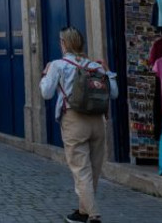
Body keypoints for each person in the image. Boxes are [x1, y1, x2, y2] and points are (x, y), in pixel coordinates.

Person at [39, 26, 119, 223]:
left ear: (64, 44)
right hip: (97, 121)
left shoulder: (58, 65)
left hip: (74, 121)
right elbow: (114, 93)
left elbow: (46, 93)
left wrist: (45, 75)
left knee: (80, 169)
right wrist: (108, 72)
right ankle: (83, 211)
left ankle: (92, 214)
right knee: (93, 168)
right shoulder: (95, 66)